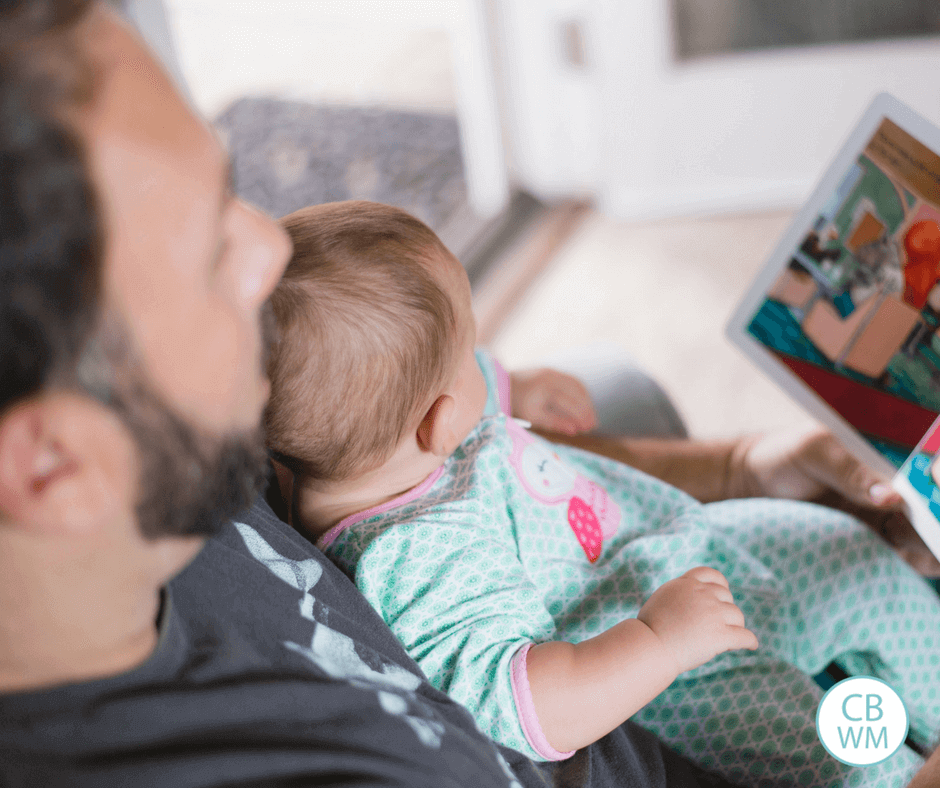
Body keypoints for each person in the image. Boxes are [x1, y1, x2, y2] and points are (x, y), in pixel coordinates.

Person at [1, 3, 939, 787]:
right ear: (50, 462)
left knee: (837, 535)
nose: (271, 248)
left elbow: (494, 457)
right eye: (209, 248)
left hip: (656, 554)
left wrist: (736, 466)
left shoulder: (229, 416)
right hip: (693, 687)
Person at [263, 200, 940, 787]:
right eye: (473, 347)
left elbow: (430, 383)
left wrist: (512, 387)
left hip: (682, 543)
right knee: (849, 761)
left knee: (848, 553)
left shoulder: (383, 442)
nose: (483, 357)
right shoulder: (416, 558)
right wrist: (659, 641)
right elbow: (525, 704)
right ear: (439, 421)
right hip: (673, 668)